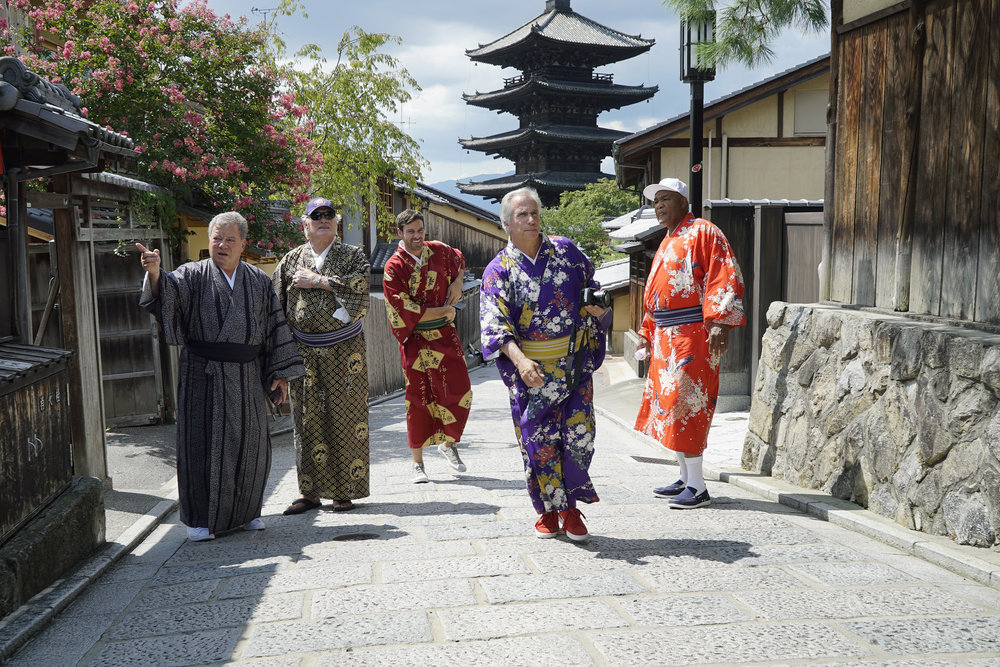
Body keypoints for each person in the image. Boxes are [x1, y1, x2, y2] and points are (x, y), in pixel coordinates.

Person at [137, 212, 305, 542]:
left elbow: (273, 328)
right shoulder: (192, 274)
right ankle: (201, 520)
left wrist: (279, 375)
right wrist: (155, 272)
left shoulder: (257, 280)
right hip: (203, 372)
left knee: (251, 445)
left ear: (243, 244)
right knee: (202, 446)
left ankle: (246, 512)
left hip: (247, 373)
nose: (221, 245)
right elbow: (164, 295)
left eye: (230, 240)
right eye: (216, 238)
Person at [480, 187, 610, 542]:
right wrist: (520, 362)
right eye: (522, 214)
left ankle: (571, 507)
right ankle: (551, 511)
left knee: (579, 437)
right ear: (506, 223)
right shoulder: (498, 270)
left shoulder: (565, 250)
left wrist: (595, 304)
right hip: (532, 371)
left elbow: (589, 283)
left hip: (573, 363)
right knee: (539, 442)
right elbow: (496, 324)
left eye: (534, 212)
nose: (531, 219)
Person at [633, 177, 746, 509]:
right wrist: (646, 332)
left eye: (666, 199)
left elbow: (725, 275)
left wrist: (721, 323)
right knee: (671, 406)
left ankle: (698, 487)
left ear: (684, 202)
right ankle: (685, 476)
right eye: (656, 202)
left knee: (689, 403)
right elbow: (656, 294)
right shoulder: (668, 239)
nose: (659, 206)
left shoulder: (704, 232)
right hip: (667, 336)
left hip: (693, 332)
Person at [272, 198, 371, 515]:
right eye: (317, 216)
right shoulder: (289, 262)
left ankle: (344, 491)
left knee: (345, 418)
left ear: (337, 223)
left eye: (329, 216)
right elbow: (276, 310)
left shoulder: (352, 256)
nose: (323, 220)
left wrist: (319, 281)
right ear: (305, 225)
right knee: (305, 420)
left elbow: (361, 291)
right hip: (302, 350)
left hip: (345, 351)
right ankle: (309, 493)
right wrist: (279, 362)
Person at [382, 208, 472, 483]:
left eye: (420, 230)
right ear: (400, 233)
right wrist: (445, 310)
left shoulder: (439, 251)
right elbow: (405, 308)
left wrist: (457, 283)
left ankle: (448, 444)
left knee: (459, 391)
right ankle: (418, 463)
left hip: (445, 335)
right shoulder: (393, 267)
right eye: (411, 232)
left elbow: (460, 260)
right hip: (416, 339)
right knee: (418, 400)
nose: (417, 236)